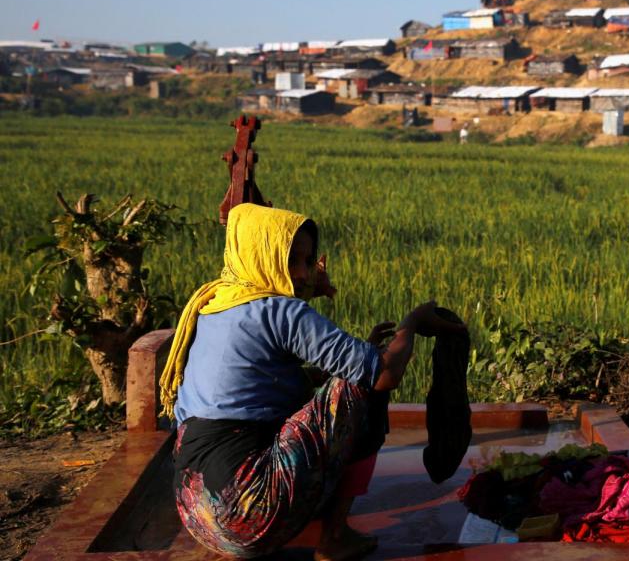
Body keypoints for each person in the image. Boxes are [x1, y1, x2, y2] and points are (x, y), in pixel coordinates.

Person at [159, 203, 463, 561]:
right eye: (292, 261)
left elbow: (267, 378)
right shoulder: (281, 311)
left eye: (308, 261)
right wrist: (411, 324)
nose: (303, 273)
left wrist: (312, 303)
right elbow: (385, 375)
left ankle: (309, 509)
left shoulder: (215, 303)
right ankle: (334, 536)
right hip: (250, 514)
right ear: (264, 256)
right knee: (362, 388)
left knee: (327, 381)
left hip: (198, 515)